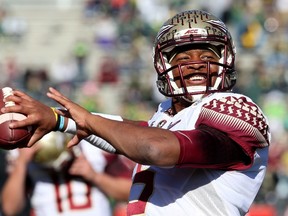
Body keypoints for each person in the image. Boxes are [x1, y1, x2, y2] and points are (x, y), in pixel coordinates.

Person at [2, 9, 271, 216]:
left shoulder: (238, 110)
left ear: (227, 58)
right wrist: (59, 119)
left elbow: (157, 148)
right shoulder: (167, 115)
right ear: (162, 64)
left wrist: (86, 120)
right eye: (183, 58)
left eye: (207, 56)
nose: (197, 65)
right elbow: (135, 130)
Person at [1, 131, 133, 216]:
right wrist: (21, 163)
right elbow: (10, 209)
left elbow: (131, 193)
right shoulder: (26, 160)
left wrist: (95, 176)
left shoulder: (93, 148)